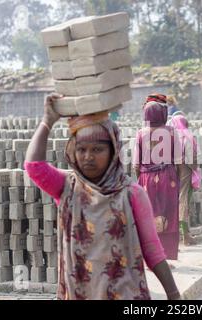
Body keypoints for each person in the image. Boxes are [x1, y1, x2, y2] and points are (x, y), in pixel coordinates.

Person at [24, 94, 180, 300]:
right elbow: (34, 167)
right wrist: (47, 121)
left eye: (97, 149)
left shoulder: (131, 193)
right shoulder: (67, 187)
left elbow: (152, 249)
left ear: (113, 150)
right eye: (81, 149)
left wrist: (174, 294)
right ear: (73, 151)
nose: (88, 156)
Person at [133, 96, 181, 260]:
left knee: (148, 218)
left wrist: (141, 181)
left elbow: (135, 165)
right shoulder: (172, 132)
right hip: (168, 178)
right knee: (168, 215)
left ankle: (151, 258)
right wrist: (177, 180)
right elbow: (179, 161)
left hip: (146, 179)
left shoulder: (140, 134)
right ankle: (165, 257)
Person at [170, 114, 202, 246]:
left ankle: (180, 234)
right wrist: (194, 168)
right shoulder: (187, 136)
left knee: (174, 201)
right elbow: (192, 159)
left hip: (171, 171)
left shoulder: (170, 136)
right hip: (185, 170)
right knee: (183, 201)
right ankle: (185, 236)